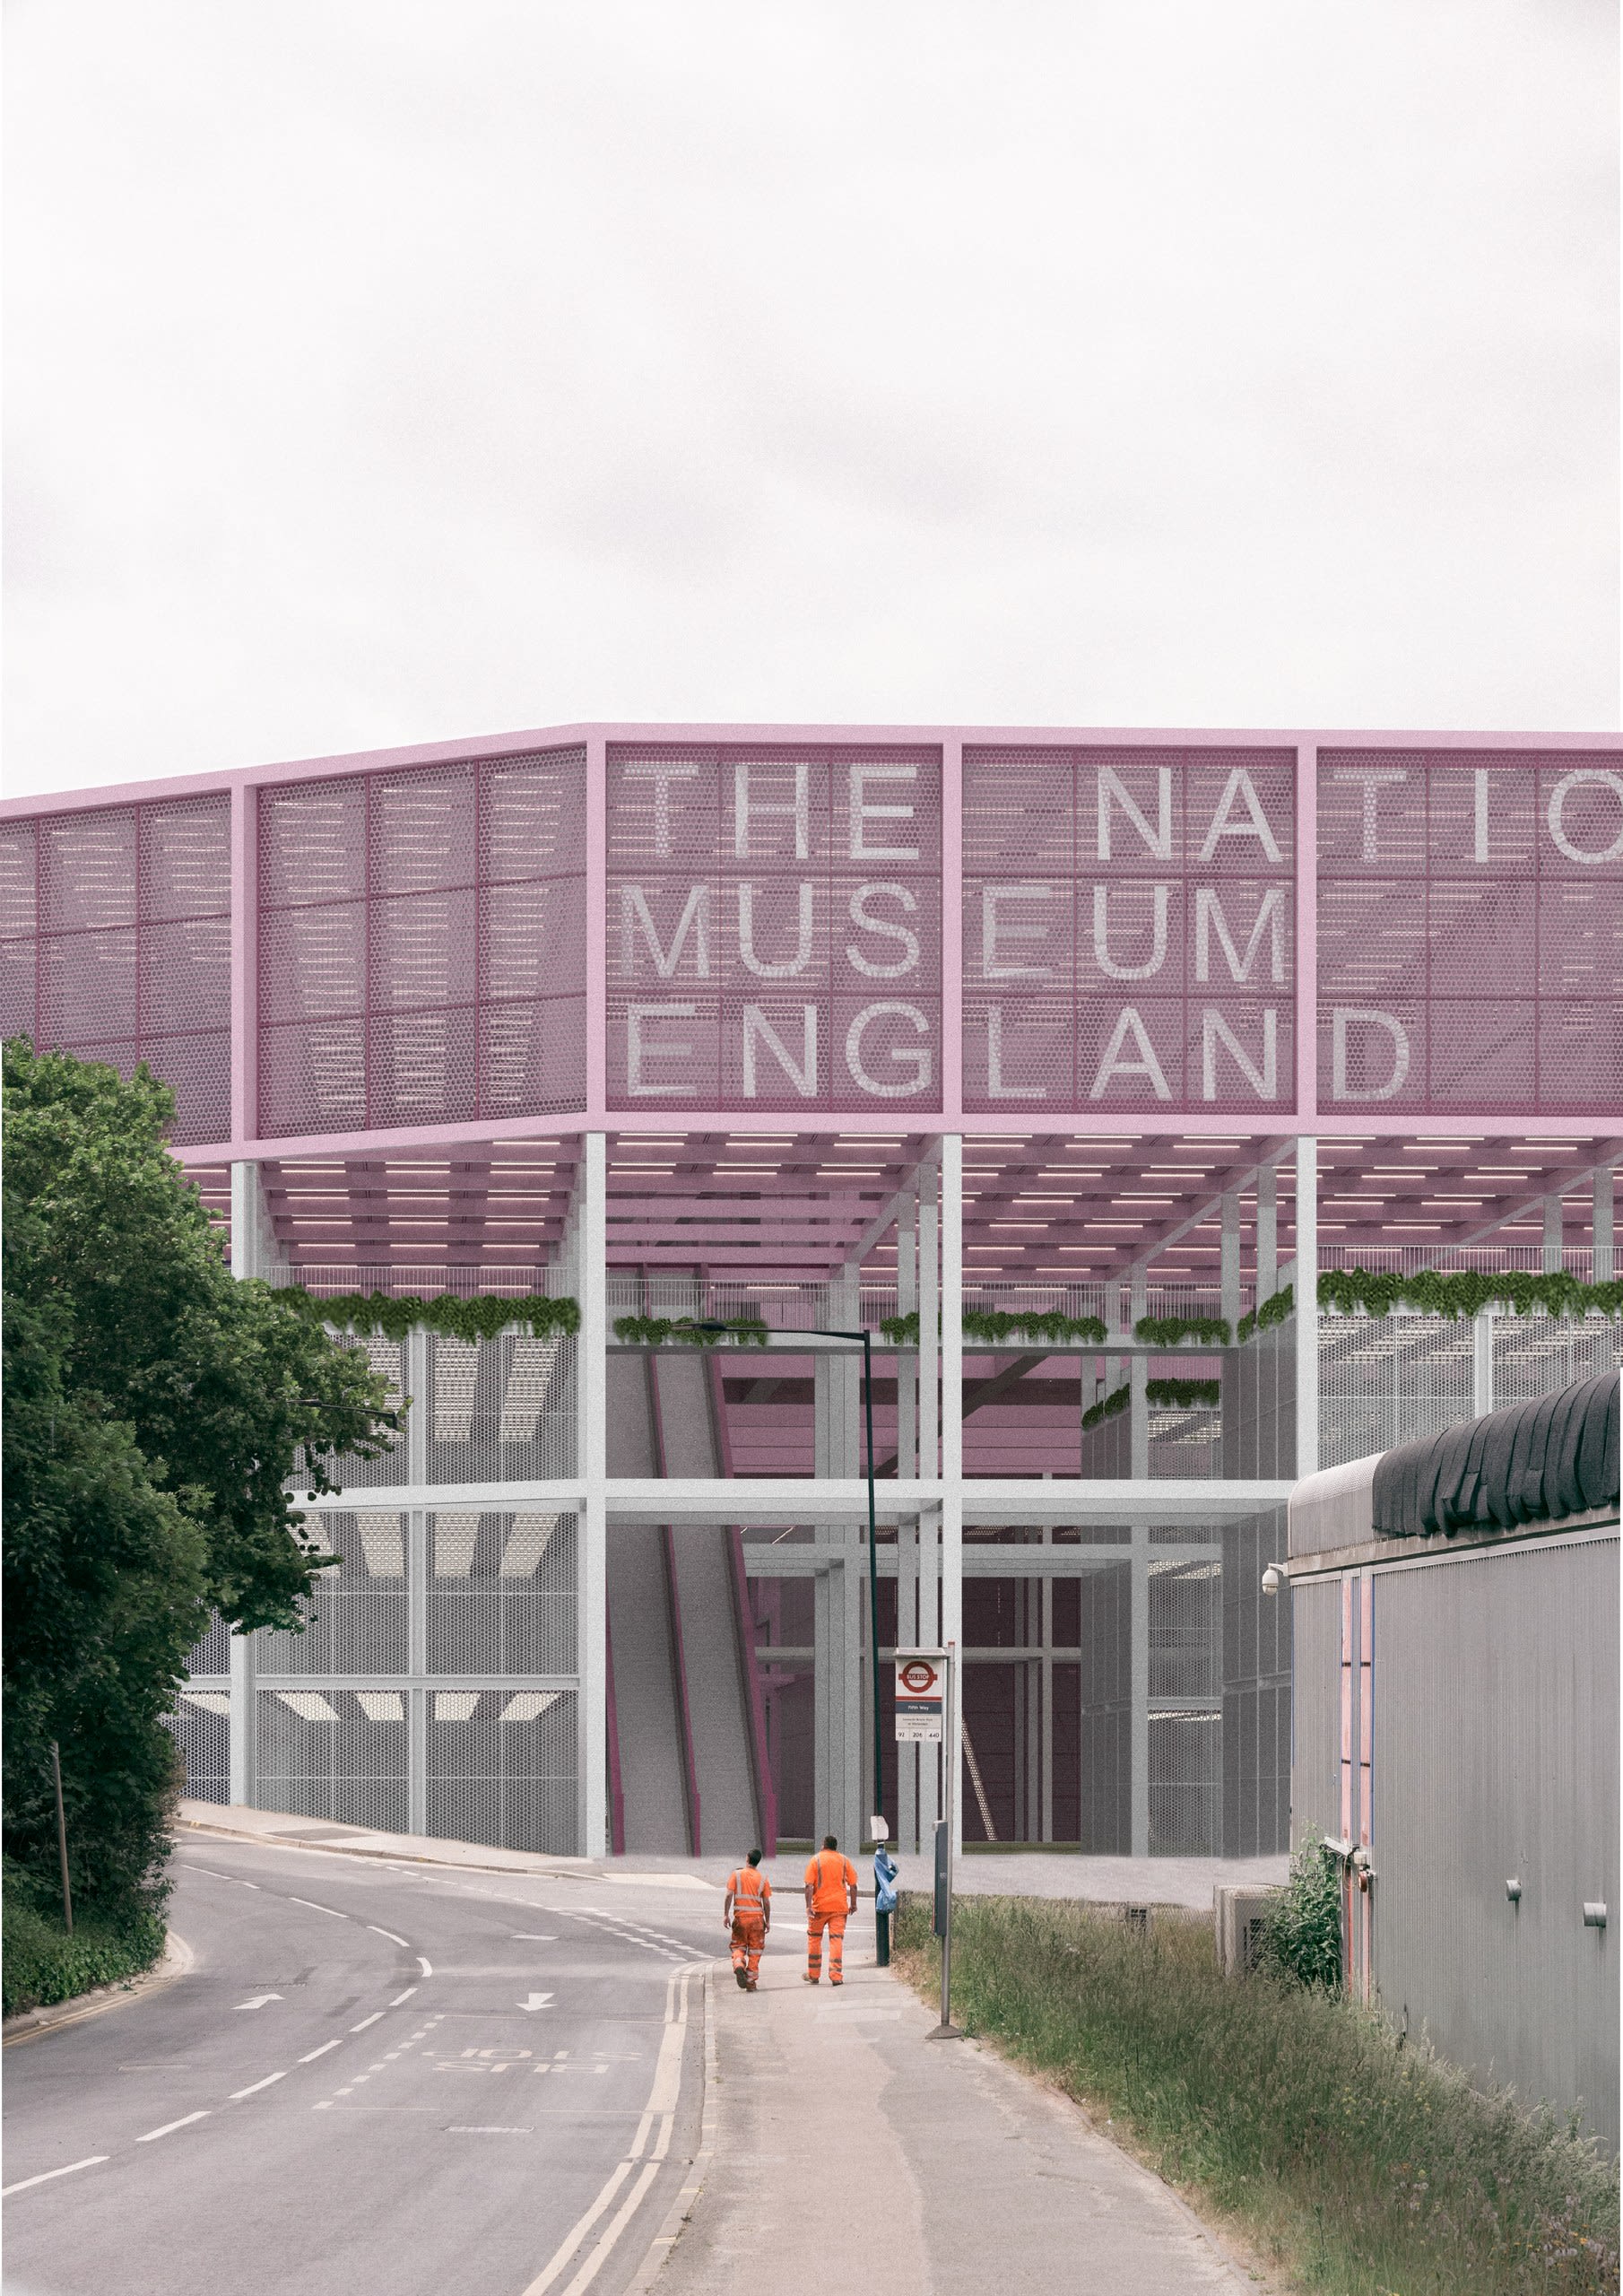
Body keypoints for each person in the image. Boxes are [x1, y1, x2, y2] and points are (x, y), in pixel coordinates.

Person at [803, 1833, 858, 1986]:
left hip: (819, 1908)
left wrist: (808, 1907)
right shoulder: (844, 1861)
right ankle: (836, 1975)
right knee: (836, 1941)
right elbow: (853, 1885)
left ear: (823, 1845)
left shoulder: (816, 1860)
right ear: (836, 1847)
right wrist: (853, 1904)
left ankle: (813, 1975)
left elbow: (809, 1886)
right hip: (839, 1909)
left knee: (814, 1940)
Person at [723, 1848, 770, 1990]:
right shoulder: (763, 1878)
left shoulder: (736, 1875)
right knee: (755, 1951)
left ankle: (738, 1964)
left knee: (738, 1947)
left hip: (741, 1919)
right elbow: (766, 1902)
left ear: (747, 1858)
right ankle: (750, 1982)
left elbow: (728, 1895)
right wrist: (767, 1921)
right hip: (757, 1921)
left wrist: (726, 1914)